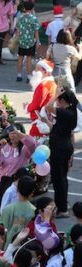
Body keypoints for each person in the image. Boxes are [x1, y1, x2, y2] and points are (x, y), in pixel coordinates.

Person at [46, 89, 78, 217]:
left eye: (58, 101)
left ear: (63, 100)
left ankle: (62, 208)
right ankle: (62, 203)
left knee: (59, 178)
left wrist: (55, 95)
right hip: (62, 147)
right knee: (60, 178)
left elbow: (48, 107)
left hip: (60, 149)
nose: (57, 103)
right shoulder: (69, 113)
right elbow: (58, 129)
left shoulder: (66, 113)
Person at [0, 125, 36, 210]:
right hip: (5, 181)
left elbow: (32, 144)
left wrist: (19, 133)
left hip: (17, 182)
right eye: (10, 136)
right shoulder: (5, 147)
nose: (12, 139)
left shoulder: (24, 149)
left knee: (14, 207)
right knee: (2, 206)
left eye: (14, 135)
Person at [26, 59, 56, 138]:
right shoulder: (52, 83)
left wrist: (27, 107)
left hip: (40, 121)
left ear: (45, 72)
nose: (34, 71)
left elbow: (37, 104)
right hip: (48, 118)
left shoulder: (43, 85)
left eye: (37, 69)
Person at [14, 1, 39, 83]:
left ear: (24, 8)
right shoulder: (34, 19)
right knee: (29, 58)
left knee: (20, 58)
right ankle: (29, 76)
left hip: (21, 41)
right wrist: (37, 41)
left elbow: (17, 30)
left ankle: (19, 75)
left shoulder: (20, 18)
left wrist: (16, 40)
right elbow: (36, 31)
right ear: (32, 9)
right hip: (30, 41)